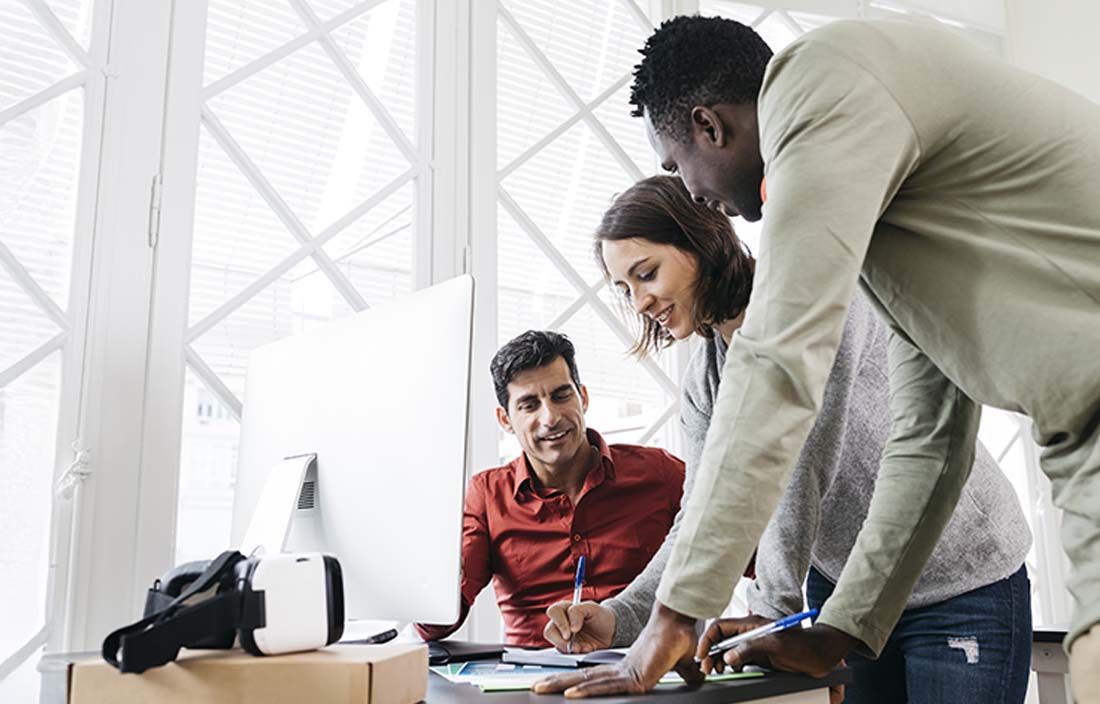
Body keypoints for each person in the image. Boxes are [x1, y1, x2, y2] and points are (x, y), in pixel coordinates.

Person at [535, 15, 1100, 701]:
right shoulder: (887, 233)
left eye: (676, 165)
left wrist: (677, 616)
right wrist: (840, 632)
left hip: (976, 566)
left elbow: (781, 376)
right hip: (1074, 443)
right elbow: (930, 440)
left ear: (710, 126)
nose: (689, 191)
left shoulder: (819, 78)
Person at [541, 175, 1031, 703]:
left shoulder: (809, 302)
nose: (639, 302)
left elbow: (802, 466)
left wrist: (770, 611)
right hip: (840, 598)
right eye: (625, 288)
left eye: (646, 274)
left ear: (700, 242)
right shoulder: (706, 376)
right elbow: (703, 514)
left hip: (959, 582)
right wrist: (625, 617)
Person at [413, 330, 684, 646]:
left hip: (652, 674)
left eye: (561, 395)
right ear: (505, 420)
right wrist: (433, 578)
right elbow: (438, 624)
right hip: (534, 684)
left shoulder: (659, 472)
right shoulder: (487, 495)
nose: (551, 417)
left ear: (582, 397)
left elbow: (746, 547)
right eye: (529, 405)